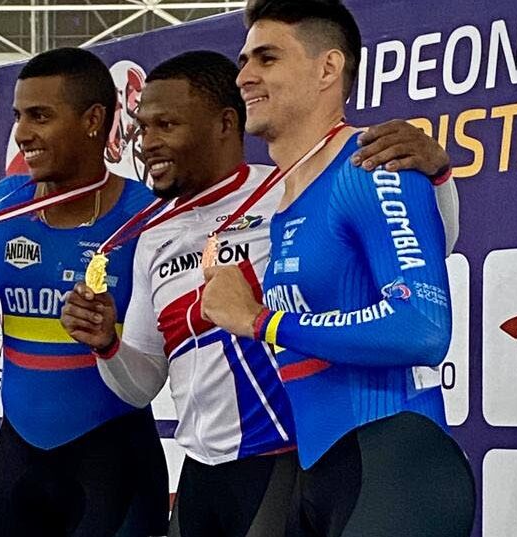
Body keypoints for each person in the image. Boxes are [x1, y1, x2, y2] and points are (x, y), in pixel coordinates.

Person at [61, 50, 459, 537]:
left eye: (165, 125)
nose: (147, 144)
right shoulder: (152, 237)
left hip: (283, 463)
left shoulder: (288, 192)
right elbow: (143, 384)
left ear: (225, 123)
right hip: (199, 474)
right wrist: (107, 344)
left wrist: (438, 177)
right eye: (143, 128)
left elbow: (426, 245)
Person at [200, 2, 476, 537]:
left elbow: (420, 327)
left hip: (395, 467)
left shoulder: (373, 163)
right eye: (243, 60)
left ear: (328, 69)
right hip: (321, 471)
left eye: (267, 58)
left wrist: (261, 321)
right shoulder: (284, 200)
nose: (244, 76)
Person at [0, 48, 168, 537]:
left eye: (40, 116)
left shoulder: (146, 217)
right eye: (19, 115)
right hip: (20, 459)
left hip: (114, 461)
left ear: (93, 120)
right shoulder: (5, 204)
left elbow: (160, 365)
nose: (22, 132)